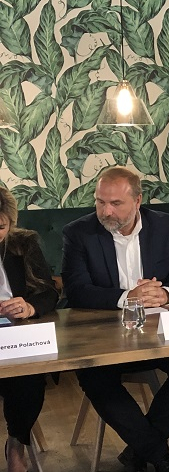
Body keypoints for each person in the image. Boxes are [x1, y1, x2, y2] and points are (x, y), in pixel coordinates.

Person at [62, 166, 169, 472]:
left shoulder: (165, 225)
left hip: (157, 332)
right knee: (94, 376)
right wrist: (127, 297)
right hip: (105, 335)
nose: (106, 211)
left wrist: (164, 294)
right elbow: (76, 291)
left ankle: (139, 452)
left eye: (116, 203)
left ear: (138, 200)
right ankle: (158, 454)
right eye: (100, 202)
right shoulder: (78, 232)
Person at [0, 187, 58, 472]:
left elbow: (49, 291)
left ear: (11, 223)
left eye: (0, 227)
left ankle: (16, 443)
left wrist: (29, 307)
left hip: (16, 333)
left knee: (29, 381)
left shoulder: (23, 243)